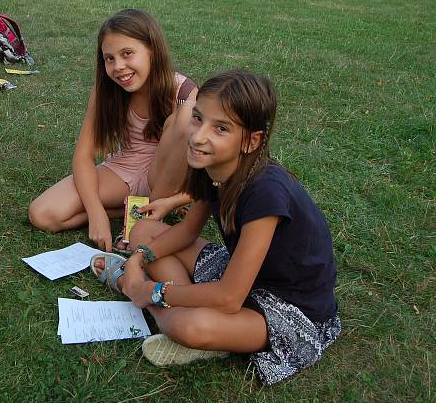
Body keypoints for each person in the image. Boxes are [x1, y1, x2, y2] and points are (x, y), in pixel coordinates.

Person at [91, 70, 341, 386]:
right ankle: (172, 304)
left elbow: (228, 298)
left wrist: (149, 290)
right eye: (197, 119)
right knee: (143, 232)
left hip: (288, 307)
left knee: (189, 327)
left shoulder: (266, 193)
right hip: (241, 275)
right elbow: (185, 232)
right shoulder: (211, 166)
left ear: (251, 141)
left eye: (220, 128)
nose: (198, 136)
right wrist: (140, 258)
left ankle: (146, 301)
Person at [29, 10, 198, 252]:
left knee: (184, 118)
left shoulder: (184, 91)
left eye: (127, 54)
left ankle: (148, 218)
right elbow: (83, 156)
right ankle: (130, 209)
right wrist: (96, 213)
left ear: (152, 49)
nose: (119, 66)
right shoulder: (106, 90)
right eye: (109, 58)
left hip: (166, 176)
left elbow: (209, 166)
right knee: (42, 215)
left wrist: (179, 199)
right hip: (126, 168)